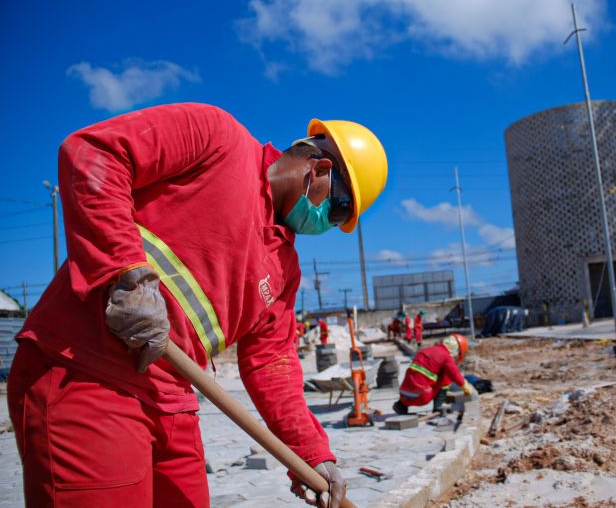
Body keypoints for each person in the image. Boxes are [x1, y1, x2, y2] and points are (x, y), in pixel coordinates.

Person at [7, 103, 387, 507]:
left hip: (172, 401)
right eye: (339, 211)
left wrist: (312, 453)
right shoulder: (217, 137)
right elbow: (95, 152)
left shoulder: (284, 267)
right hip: (86, 372)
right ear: (321, 171)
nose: (328, 226)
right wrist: (126, 272)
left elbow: (272, 362)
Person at [392, 334, 474, 415]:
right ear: (456, 350)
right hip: (421, 397)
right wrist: (465, 386)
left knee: (416, 375)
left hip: (403, 394)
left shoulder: (425, 351)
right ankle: (438, 407)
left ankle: (400, 406)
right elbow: (455, 374)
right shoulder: (446, 357)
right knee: (446, 377)